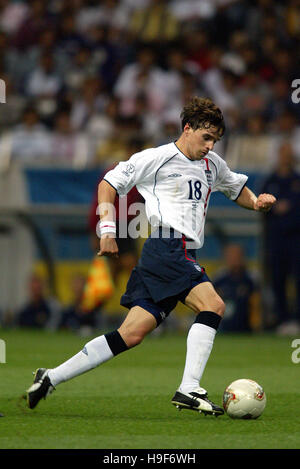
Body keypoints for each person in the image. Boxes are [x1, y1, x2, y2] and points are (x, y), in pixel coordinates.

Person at [25, 97, 276, 415]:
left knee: (130, 334)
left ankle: (50, 377)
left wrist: (255, 202)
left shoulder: (213, 165)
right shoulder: (157, 158)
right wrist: (107, 229)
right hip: (170, 247)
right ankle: (189, 388)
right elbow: (108, 183)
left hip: (167, 254)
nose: (210, 146)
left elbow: (235, 188)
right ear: (188, 129)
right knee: (213, 305)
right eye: (206, 137)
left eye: (215, 140)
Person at [260, 141, 300, 334]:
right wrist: (277, 208)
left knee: (298, 279)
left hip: (296, 240)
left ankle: (296, 319)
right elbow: (260, 206)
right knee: (278, 280)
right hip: (275, 241)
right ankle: (282, 320)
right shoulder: (270, 181)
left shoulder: (297, 180)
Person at [213, 244, 261, 332]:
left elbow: (258, 303)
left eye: (237, 255)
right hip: (222, 328)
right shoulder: (219, 279)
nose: (234, 259)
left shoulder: (251, 279)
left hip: (247, 328)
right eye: (231, 256)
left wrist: (257, 325)